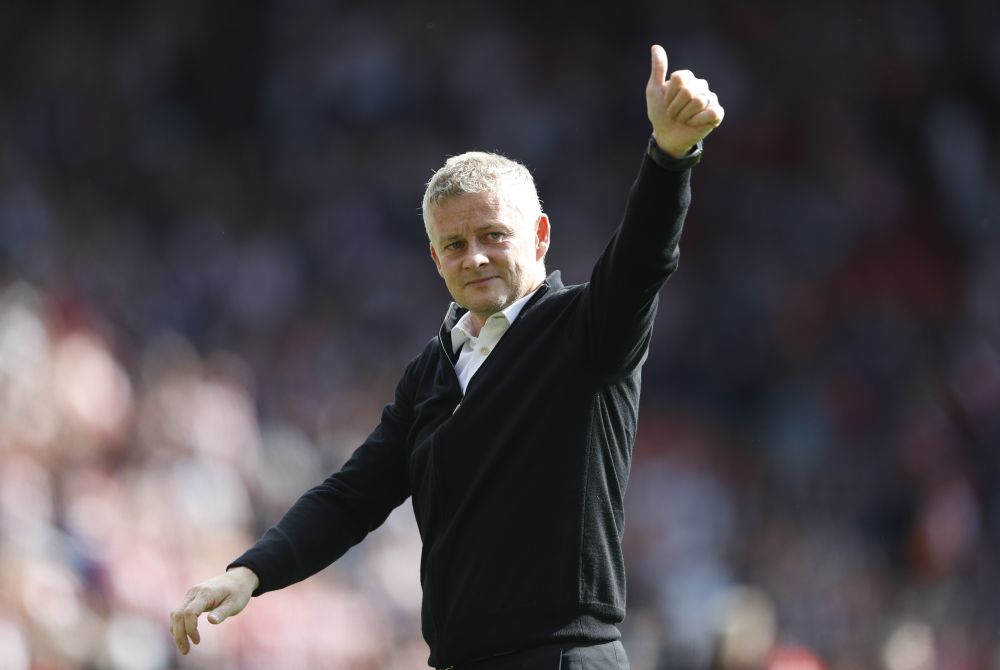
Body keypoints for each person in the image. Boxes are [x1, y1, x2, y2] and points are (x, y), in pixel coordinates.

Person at [170, 44, 724, 669]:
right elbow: (353, 495)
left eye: (494, 236)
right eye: (454, 244)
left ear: (540, 236)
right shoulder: (434, 371)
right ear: (435, 259)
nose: (475, 257)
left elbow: (644, 259)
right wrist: (250, 573)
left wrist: (671, 155)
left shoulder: (587, 331)